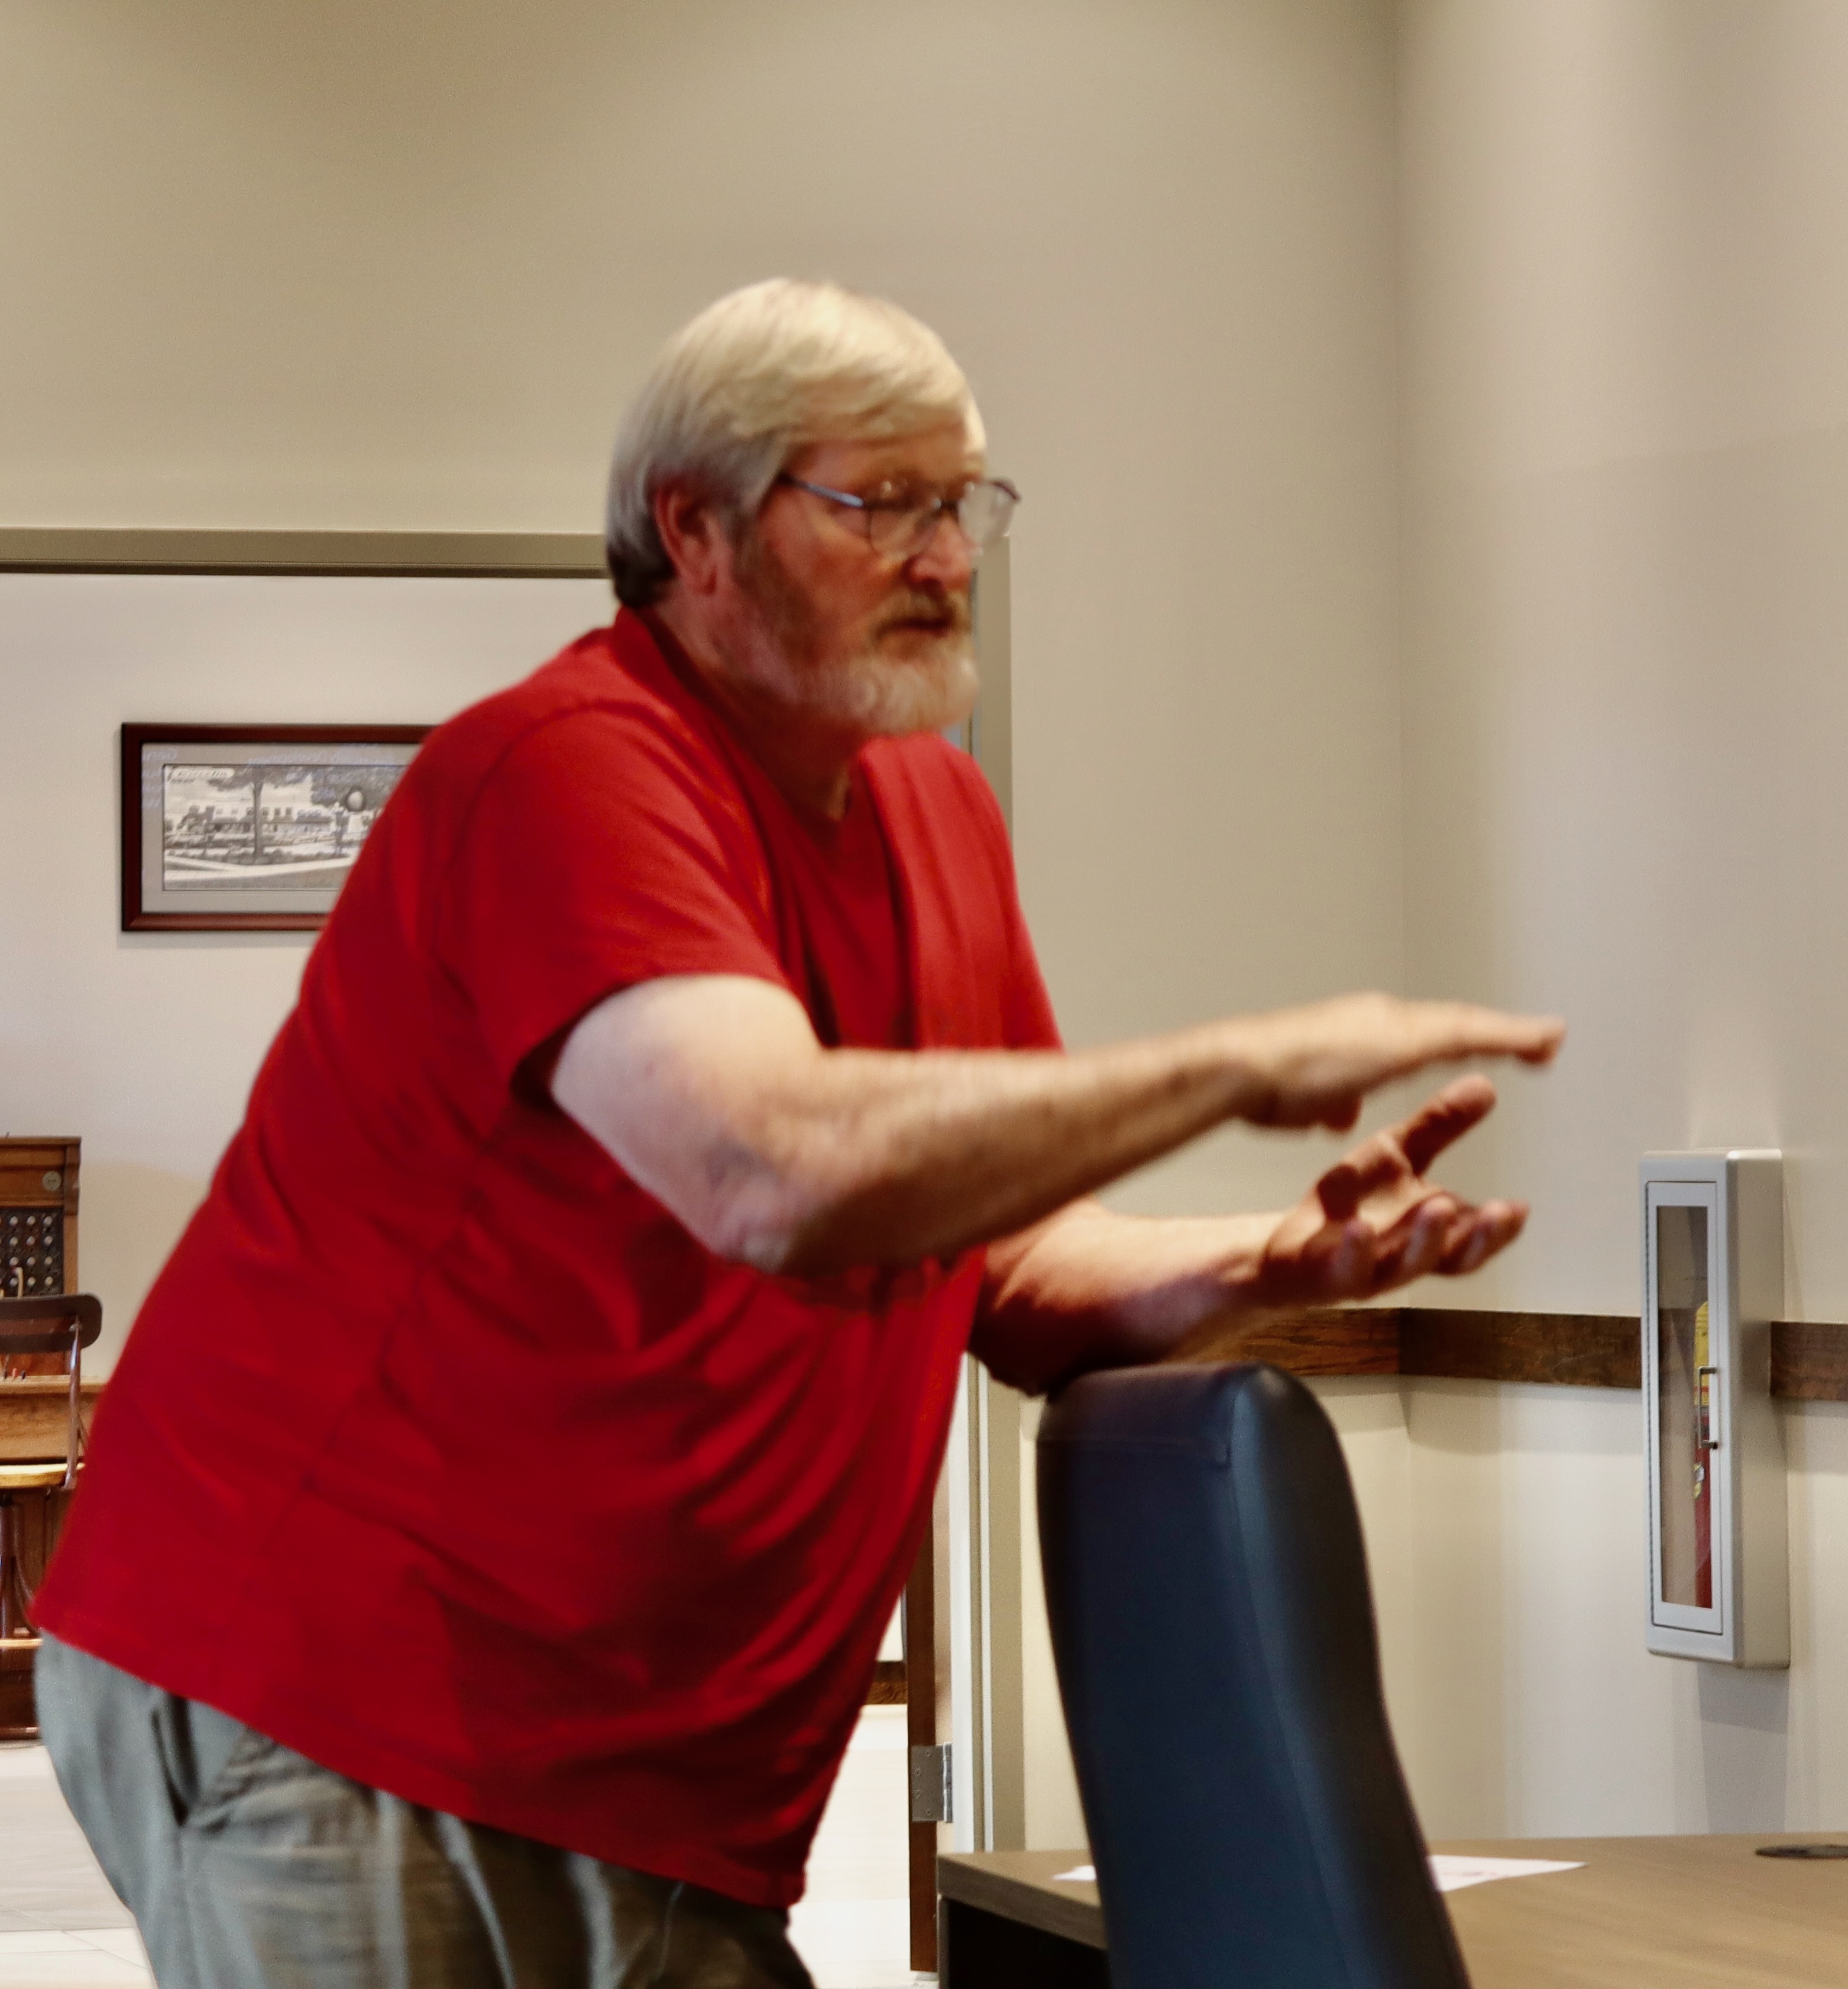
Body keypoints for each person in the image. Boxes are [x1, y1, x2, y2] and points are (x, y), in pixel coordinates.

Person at [32, 279, 1564, 1989]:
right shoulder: (564, 772)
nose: (946, 556)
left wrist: (1264, 1260)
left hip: (665, 1772)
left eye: (963, 501)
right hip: (345, 1689)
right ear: (693, 527)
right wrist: (1235, 1064)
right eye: (881, 504)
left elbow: (1004, 1259)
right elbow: (770, 1167)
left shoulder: (939, 808)